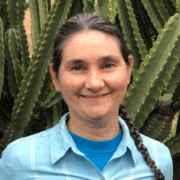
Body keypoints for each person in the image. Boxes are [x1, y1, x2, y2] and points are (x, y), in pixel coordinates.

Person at [0, 13, 173, 180]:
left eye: (108, 65)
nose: (94, 83)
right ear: (55, 77)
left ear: (128, 70)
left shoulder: (159, 158)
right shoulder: (20, 160)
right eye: (77, 67)